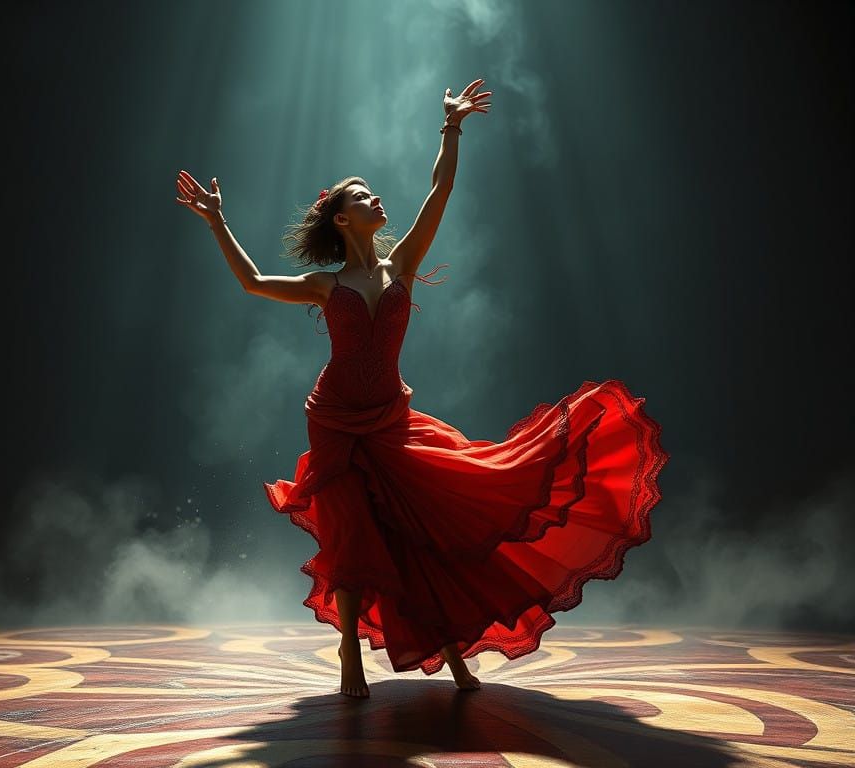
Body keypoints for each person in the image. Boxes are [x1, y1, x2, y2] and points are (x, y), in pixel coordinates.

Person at [175, 78, 668, 698]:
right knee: (353, 532)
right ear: (341, 216)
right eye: (363, 195)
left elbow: (441, 189)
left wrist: (452, 126)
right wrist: (218, 220)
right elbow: (251, 281)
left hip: (388, 417)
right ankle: (350, 657)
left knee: (425, 527)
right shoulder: (327, 285)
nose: (376, 197)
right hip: (334, 420)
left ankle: (452, 649)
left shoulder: (401, 263)